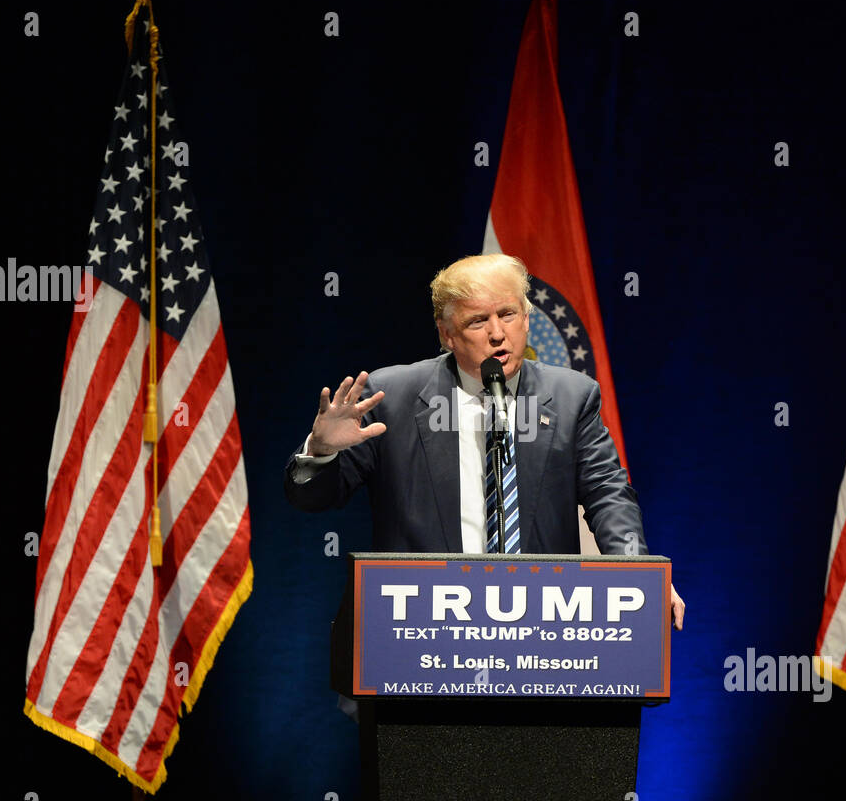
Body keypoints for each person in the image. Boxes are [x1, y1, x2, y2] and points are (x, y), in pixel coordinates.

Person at [284, 253, 684, 629]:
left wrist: (639, 578)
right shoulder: (392, 397)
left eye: (508, 315)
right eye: (478, 322)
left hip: (542, 622)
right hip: (424, 623)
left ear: (526, 319)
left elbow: (607, 494)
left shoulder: (572, 397)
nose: (497, 334)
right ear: (447, 335)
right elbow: (313, 499)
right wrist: (321, 452)